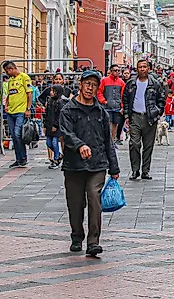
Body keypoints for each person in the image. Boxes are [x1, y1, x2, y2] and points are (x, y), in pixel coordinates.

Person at [59, 70, 120, 257]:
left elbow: (108, 140)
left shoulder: (101, 112)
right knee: (75, 203)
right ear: (80, 85)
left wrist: (114, 166)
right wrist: (79, 145)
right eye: (87, 84)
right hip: (74, 165)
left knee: (95, 197)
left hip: (97, 163)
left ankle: (93, 241)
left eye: (94, 85)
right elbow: (66, 133)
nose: (90, 88)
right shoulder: (68, 110)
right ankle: (77, 236)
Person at [123, 59, 166, 180]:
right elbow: (125, 100)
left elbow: (161, 99)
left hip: (149, 117)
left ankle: (145, 171)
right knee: (134, 144)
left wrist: (157, 112)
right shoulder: (131, 83)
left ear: (148, 69)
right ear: (137, 69)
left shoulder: (155, 84)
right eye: (140, 67)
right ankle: (135, 170)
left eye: (144, 67)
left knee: (148, 146)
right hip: (135, 117)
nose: (142, 69)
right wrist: (127, 116)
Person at [2, 61, 33, 168]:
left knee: (18, 134)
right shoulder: (10, 80)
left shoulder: (24, 77)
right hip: (11, 111)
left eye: (7, 71)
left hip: (21, 111)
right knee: (14, 136)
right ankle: (18, 158)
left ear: (11, 69)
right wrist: (6, 105)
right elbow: (9, 94)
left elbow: (29, 94)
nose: (6, 73)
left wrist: (28, 109)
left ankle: (23, 157)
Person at [98, 65, 126, 146]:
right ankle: (108, 141)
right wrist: (103, 101)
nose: (117, 72)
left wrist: (122, 106)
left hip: (117, 107)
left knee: (115, 124)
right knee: (107, 123)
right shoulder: (104, 81)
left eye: (118, 70)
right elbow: (99, 92)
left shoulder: (121, 82)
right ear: (110, 71)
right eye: (115, 70)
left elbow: (123, 95)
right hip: (107, 106)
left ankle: (113, 141)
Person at [44, 84, 68, 169]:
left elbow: (59, 116)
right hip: (49, 126)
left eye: (53, 91)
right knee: (48, 143)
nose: (51, 93)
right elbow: (46, 115)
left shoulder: (60, 102)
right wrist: (45, 125)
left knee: (54, 142)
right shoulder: (49, 102)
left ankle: (56, 159)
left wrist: (56, 125)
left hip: (56, 127)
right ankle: (59, 155)